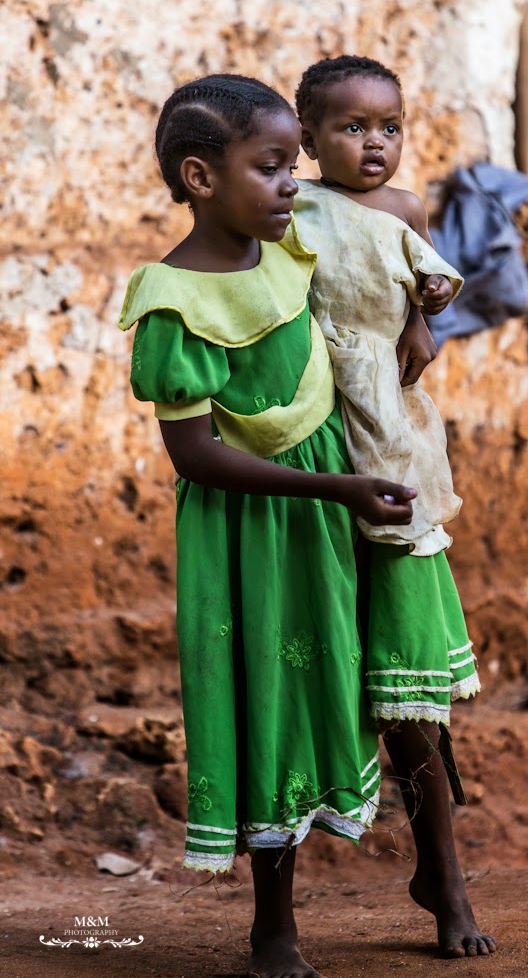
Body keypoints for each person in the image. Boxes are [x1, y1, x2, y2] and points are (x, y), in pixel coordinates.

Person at [118, 73, 417, 978]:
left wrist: (423, 321)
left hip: (336, 501)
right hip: (251, 530)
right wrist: (336, 491)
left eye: (294, 163)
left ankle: (429, 875)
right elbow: (197, 454)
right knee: (266, 699)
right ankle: (272, 927)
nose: (297, 183)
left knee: (351, 675)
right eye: (274, 165)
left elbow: (372, 270)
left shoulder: (288, 252)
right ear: (202, 178)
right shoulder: (172, 301)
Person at [292, 55, 496, 959]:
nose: (372, 143)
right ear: (306, 138)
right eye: (350, 127)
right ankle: (282, 897)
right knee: (320, 663)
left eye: (388, 126)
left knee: (409, 677)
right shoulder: (284, 209)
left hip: (391, 441)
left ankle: (442, 872)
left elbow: (422, 292)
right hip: (310, 440)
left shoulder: (408, 208)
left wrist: (421, 320)